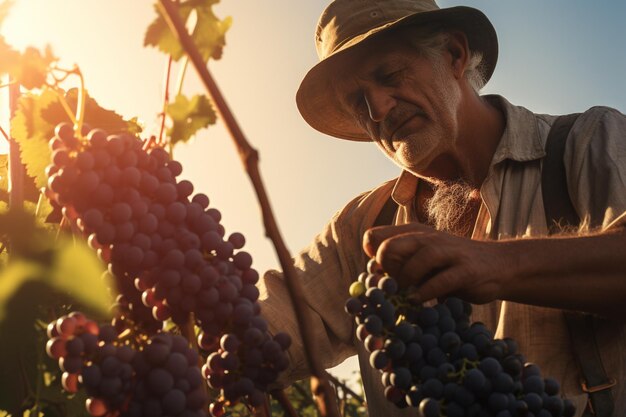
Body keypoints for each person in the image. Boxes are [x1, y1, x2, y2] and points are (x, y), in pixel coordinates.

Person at [259, 0, 626, 416]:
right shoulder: (359, 229)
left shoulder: (586, 143)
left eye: (389, 75)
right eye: (359, 102)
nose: (378, 110)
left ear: (455, 54)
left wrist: (499, 264)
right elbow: (267, 328)